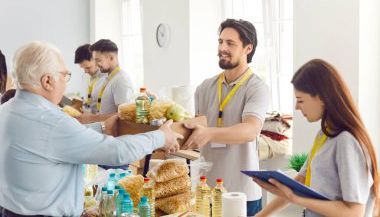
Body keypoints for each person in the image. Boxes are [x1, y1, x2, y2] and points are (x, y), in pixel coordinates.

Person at [0, 41, 183, 216]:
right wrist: (160, 136)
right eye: (65, 75)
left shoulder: (6, 111)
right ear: (47, 81)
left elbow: (50, 142)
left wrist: (102, 127)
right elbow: (116, 152)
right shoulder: (51, 121)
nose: (66, 82)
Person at [253, 59, 379, 217]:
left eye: (300, 100)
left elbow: (354, 212)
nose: (296, 107)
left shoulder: (346, 141)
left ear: (322, 98)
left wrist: (296, 199)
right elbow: (300, 182)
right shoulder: (324, 135)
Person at [182, 19, 270, 216]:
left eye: (230, 43)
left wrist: (209, 134)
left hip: (242, 194)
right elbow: (198, 126)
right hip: (206, 191)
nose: (222, 48)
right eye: (220, 42)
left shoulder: (257, 88)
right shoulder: (205, 87)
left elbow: (250, 130)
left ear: (248, 48)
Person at [76, 39, 134, 123]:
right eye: (94, 60)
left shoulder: (121, 79)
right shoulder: (108, 77)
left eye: (98, 60)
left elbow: (124, 115)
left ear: (111, 58)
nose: (95, 64)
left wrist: (92, 118)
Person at [74, 43, 106, 114]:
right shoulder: (85, 76)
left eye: (88, 67)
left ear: (96, 60)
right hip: (89, 119)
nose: (85, 71)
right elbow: (87, 100)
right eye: (83, 68)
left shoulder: (107, 78)